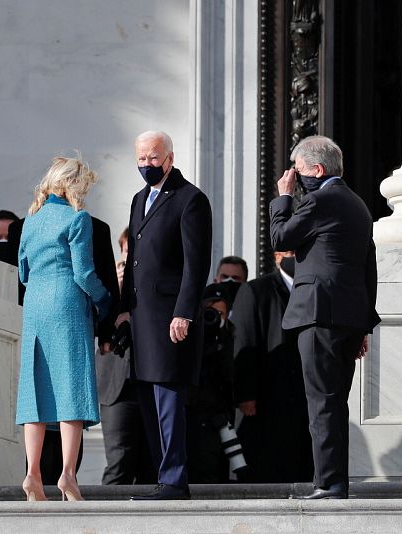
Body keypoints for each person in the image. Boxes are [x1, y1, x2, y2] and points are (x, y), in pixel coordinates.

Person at [269, 135, 379, 499]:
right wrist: (363, 323)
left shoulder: (319, 200)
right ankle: (334, 481)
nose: (294, 177)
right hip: (347, 318)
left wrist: (283, 198)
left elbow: (280, 236)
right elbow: (369, 268)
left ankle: (328, 483)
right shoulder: (358, 204)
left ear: (317, 169)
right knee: (333, 402)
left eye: (298, 170)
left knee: (322, 404)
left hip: (319, 314)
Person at [117, 130, 213, 500]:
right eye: (141, 159)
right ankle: (162, 477)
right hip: (141, 319)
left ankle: (174, 479)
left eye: (153, 158)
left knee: (169, 398)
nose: (146, 165)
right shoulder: (139, 199)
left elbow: (196, 263)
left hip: (171, 318)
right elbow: (134, 259)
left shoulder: (190, 200)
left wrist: (185, 312)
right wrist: (124, 310)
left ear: (169, 158)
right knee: (146, 398)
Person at [16, 156, 111, 502]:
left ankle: (32, 473)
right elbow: (84, 273)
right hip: (67, 304)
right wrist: (105, 301)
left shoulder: (31, 221)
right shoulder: (78, 218)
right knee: (72, 388)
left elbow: (22, 273)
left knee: (35, 389)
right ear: (75, 185)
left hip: (35, 305)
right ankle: (68, 475)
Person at [231, 251, 314, 483]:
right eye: (291, 253)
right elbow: (244, 343)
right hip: (267, 399)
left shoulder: (314, 289)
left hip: (304, 397)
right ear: (277, 256)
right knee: (266, 468)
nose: (297, 258)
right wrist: (246, 395)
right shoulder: (255, 290)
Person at [96, 227, 155, 485]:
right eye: (127, 252)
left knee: (151, 465)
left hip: (151, 381)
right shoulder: (107, 286)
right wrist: (117, 287)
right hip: (116, 386)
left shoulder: (157, 283)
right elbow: (99, 325)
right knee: (119, 462)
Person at [185, 282, 236, 484]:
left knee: (212, 468)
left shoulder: (230, 336)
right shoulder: (188, 334)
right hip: (190, 411)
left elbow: (228, 374)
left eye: (220, 314)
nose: (213, 317)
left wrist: (221, 339)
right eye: (209, 311)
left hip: (216, 414)